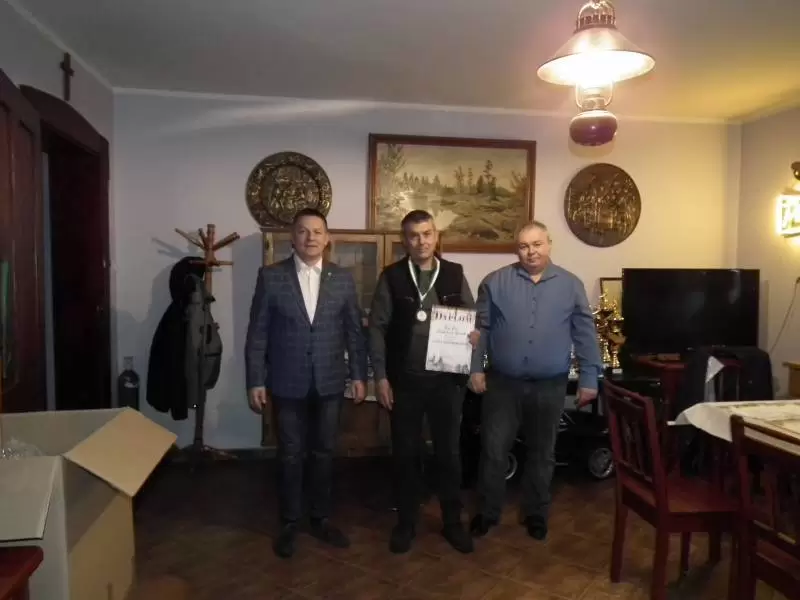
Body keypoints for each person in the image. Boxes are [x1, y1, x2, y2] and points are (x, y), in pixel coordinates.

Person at [245, 207, 367, 559]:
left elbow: (354, 332)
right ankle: (289, 522)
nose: (310, 237)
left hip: (330, 381)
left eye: (317, 231)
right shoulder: (271, 277)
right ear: (292, 237)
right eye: (303, 231)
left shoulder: (342, 279)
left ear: (327, 239)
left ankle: (321, 517)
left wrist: (360, 374)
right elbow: (258, 333)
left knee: (324, 452)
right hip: (287, 382)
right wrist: (255, 379)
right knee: (290, 454)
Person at [469, 220, 602, 541]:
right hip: (503, 384)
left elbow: (585, 333)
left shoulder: (571, 285)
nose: (531, 252)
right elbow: (480, 329)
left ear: (549, 244)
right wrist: (475, 368)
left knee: (543, 453)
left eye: (537, 244)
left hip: (550, 385)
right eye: (524, 246)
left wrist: (589, 377)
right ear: (517, 250)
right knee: (494, 451)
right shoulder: (495, 281)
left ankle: (536, 513)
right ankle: (488, 512)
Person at [369, 210, 476, 555]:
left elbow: (471, 318)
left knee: (449, 453)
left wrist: (474, 336)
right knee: (405, 454)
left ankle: (452, 522)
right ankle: (406, 523)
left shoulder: (454, 274)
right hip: (406, 382)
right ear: (405, 240)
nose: (421, 241)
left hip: (446, 383)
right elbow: (377, 328)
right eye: (413, 236)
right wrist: (381, 376)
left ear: (436, 236)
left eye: (427, 234)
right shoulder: (392, 276)